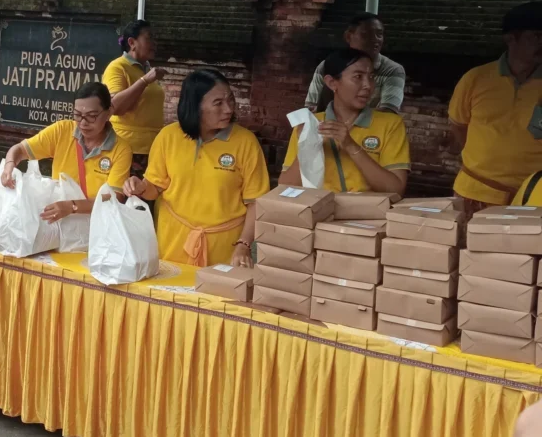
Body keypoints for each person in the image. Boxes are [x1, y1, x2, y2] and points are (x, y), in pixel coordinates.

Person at [124, 68, 269, 267]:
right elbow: (154, 189)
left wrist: (243, 245)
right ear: (195, 106)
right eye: (218, 103)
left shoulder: (245, 142)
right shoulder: (169, 136)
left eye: (230, 100)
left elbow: (255, 202)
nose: (228, 109)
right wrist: (140, 187)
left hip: (225, 248)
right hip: (172, 243)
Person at [449, 1, 542, 212]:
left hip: (535, 196)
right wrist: (484, 160)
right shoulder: (476, 79)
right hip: (476, 192)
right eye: (536, 36)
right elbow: (458, 126)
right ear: (510, 38)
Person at [280, 49, 410, 195]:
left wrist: (350, 145)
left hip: (369, 215)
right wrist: (309, 147)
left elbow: (396, 189)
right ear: (332, 83)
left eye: (371, 77)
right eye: (358, 77)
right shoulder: (310, 124)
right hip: (320, 211)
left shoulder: (390, 124)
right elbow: (285, 189)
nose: (368, 85)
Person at [0, 81, 133, 220]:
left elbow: (113, 197)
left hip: (97, 224)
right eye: (77, 114)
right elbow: (20, 149)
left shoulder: (121, 150)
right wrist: (9, 167)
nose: (83, 122)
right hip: (60, 220)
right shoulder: (62, 131)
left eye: (91, 115)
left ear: (109, 112)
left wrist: (73, 206)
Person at [304, 13, 406, 113]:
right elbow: (311, 109)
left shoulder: (392, 70)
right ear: (348, 37)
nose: (375, 40)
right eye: (366, 35)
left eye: (379, 34)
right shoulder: (326, 66)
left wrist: (348, 120)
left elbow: (388, 113)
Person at [104, 19, 166, 177]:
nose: (154, 43)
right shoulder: (117, 67)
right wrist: (144, 81)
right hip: (129, 149)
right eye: (149, 38)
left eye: (155, 38)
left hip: (152, 148)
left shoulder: (146, 68)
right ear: (132, 42)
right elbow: (115, 106)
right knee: (128, 198)